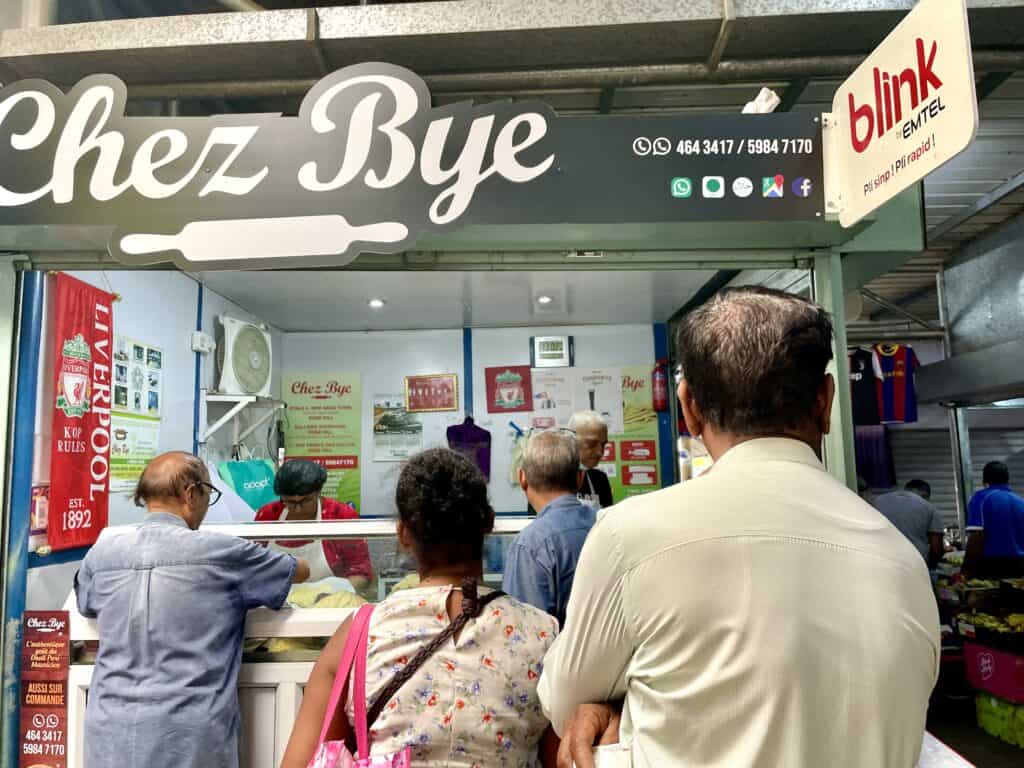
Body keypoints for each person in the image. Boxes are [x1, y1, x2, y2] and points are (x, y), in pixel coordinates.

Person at [539, 287, 939, 768]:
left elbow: (564, 704)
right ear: (827, 401)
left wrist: (617, 707)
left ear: (688, 407)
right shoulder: (901, 558)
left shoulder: (630, 535)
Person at [281, 448, 560, 768]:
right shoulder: (543, 633)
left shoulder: (359, 634)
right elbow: (561, 757)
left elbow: (298, 761)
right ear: (489, 523)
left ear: (403, 534)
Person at [75, 451, 310, 768]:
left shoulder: (101, 554)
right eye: (209, 494)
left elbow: (86, 601)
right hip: (187, 735)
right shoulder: (221, 552)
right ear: (191, 493)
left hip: (109, 730)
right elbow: (298, 571)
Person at [503, 429, 597, 626]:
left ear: (522, 478)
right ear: (580, 479)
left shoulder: (529, 545)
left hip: (560, 656)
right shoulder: (604, 523)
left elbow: (526, 633)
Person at [256, 459, 373, 588]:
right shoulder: (268, 515)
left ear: (318, 492)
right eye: (290, 502)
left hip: (328, 603)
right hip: (277, 600)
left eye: (306, 501)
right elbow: (255, 566)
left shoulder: (340, 516)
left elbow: (361, 574)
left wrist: (336, 592)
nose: (298, 508)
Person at [965, 461, 1024, 578]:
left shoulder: (981, 498)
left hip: (993, 566)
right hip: (1020, 565)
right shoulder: (1020, 501)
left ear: (984, 481)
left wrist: (967, 569)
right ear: (1008, 480)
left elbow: (977, 535)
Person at [871, 479, 945, 567]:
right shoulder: (929, 508)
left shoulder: (877, 501)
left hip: (879, 561)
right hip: (914, 565)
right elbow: (936, 548)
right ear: (925, 495)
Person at [567, 411, 614, 511]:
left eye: (603, 445)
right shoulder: (551, 480)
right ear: (571, 441)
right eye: (591, 444)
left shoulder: (600, 479)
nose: (600, 452)